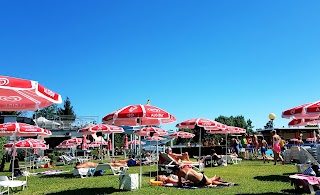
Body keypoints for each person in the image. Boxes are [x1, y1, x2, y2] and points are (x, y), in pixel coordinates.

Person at [169, 165, 234, 187]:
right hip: (201, 175)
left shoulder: (179, 174)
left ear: (177, 171)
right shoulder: (185, 168)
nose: (174, 174)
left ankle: (224, 183)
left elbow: (180, 184)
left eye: (174, 172)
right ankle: (221, 181)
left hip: (200, 182)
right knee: (210, 181)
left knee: (210, 182)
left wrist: (180, 182)